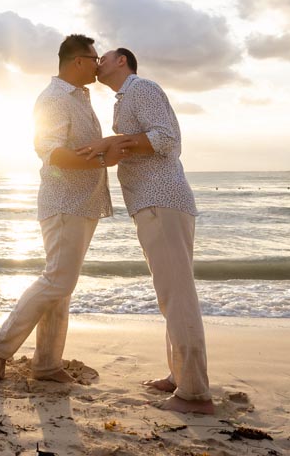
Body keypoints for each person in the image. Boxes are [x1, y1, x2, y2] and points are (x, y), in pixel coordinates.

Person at [79, 48, 214, 414]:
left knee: (178, 295)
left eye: (103, 57)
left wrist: (113, 142)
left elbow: (166, 138)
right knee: (169, 293)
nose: (98, 63)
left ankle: (195, 394)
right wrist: (109, 147)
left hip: (162, 200)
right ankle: (179, 376)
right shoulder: (123, 102)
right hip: (151, 202)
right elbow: (137, 145)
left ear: (122, 61)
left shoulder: (142, 88)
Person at [0, 34, 120, 383]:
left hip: (83, 204)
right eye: (94, 59)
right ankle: (0, 344)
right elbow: (52, 154)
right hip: (64, 204)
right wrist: (103, 160)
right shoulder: (54, 99)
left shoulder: (79, 97)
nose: (98, 64)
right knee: (58, 280)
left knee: (62, 285)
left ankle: (46, 364)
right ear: (78, 61)